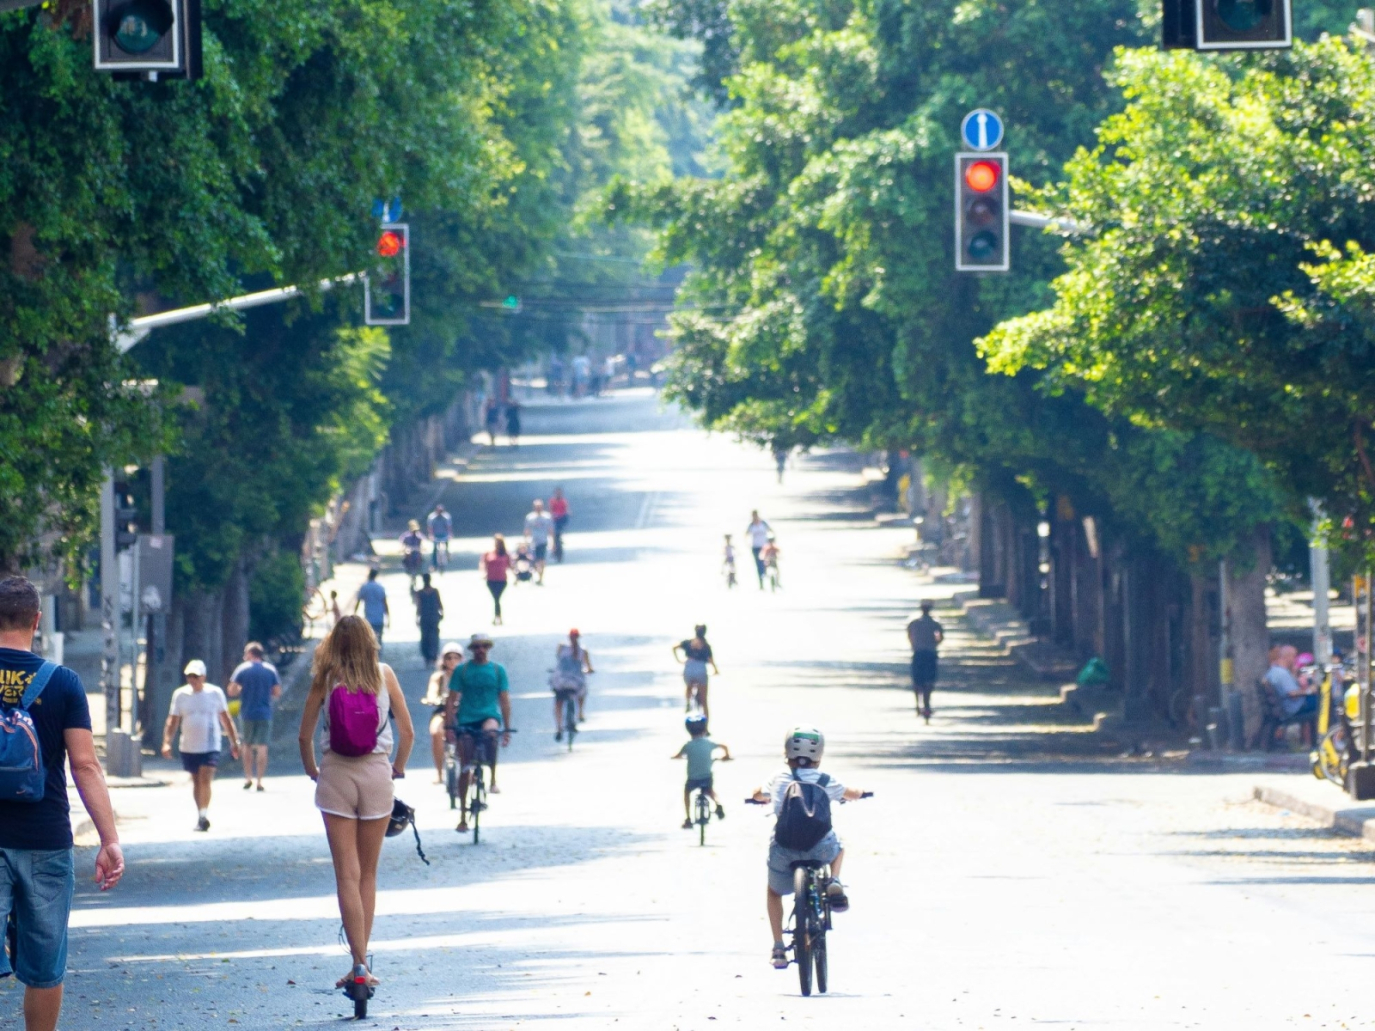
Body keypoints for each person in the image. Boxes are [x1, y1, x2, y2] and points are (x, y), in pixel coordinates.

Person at [0, 576, 123, 1031]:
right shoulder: (63, 684)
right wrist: (109, 840)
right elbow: (85, 766)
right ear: (36, 620)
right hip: (45, 840)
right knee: (45, 966)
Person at [298, 616, 414, 994]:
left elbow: (304, 735)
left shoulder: (325, 678)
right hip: (377, 777)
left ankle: (357, 963)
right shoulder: (384, 674)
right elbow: (408, 733)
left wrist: (314, 771)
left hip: (336, 778)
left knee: (346, 874)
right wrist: (397, 768)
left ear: (334, 644)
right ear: (369, 642)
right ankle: (365, 961)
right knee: (368, 873)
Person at [749, 727, 867, 970]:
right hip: (819, 848)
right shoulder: (825, 780)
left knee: (773, 892)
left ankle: (778, 947)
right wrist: (861, 793)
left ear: (786, 751)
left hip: (784, 849)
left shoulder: (779, 777)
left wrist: (760, 797)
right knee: (840, 845)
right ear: (819, 754)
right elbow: (852, 793)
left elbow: (758, 794)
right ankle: (834, 879)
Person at [162, 660, 241, 832]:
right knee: (196, 781)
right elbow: (173, 720)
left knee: (206, 778)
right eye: (190, 676)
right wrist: (167, 742)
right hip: (189, 745)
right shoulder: (180, 695)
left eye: (196, 676)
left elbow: (225, 718)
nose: (193, 680)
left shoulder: (215, 693)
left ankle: (204, 815)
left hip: (211, 744)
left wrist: (234, 741)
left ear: (203, 677)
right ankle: (200, 813)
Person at [445, 633, 513, 831]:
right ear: (472, 649)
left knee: (492, 735)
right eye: (476, 647)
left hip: (489, 716)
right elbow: (451, 699)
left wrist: (506, 727)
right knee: (465, 766)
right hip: (467, 719)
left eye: (484, 646)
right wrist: (449, 727)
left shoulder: (498, 670)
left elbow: (504, 700)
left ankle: (493, 778)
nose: (480, 650)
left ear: (488, 648)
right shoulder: (462, 670)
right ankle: (463, 816)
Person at [227, 642, 281, 792]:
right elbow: (277, 692)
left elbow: (231, 691)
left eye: (246, 653)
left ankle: (248, 777)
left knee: (247, 745)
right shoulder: (270, 670)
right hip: (264, 713)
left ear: (251, 654)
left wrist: (240, 689)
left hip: (246, 713)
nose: (244, 656)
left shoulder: (242, 670)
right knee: (263, 746)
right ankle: (260, 781)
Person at [672, 714, 731, 828]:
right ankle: (718, 804)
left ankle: (688, 818)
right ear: (704, 729)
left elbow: (678, 755)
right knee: (710, 791)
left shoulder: (688, 745)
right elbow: (723, 746)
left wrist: (675, 757)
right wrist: (726, 756)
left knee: (687, 793)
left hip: (693, 779)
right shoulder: (708, 743)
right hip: (706, 777)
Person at [419, 643, 463, 783]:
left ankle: (470, 770)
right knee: (436, 731)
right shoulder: (439, 676)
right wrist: (432, 699)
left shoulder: (465, 675)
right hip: (442, 711)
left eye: (456, 658)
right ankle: (439, 773)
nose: (452, 661)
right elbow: (431, 692)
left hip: (462, 712)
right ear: (443, 660)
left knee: (469, 735)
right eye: (449, 658)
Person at [551, 629, 595, 737]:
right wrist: (588, 671)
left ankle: (559, 727)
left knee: (558, 703)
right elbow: (589, 668)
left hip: (561, 682)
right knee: (583, 692)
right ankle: (580, 713)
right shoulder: (583, 651)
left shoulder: (562, 647)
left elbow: (558, 659)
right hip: (575, 682)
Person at [907, 601, 944, 721]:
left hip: (918, 653)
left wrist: (914, 644)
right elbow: (940, 637)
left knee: (917, 680)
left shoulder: (914, 623)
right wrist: (934, 644)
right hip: (930, 654)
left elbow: (909, 634)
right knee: (929, 680)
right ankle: (927, 705)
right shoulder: (935, 624)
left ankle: (918, 705)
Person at [673, 625, 719, 718]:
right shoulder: (706, 646)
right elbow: (710, 660)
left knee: (688, 685)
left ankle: (688, 702)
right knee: (704, 701)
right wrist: (715, 670)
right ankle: (705, 727)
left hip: (689, 667)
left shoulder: (688, 643)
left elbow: (674, 648)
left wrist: (678, 660)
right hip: (701, 669)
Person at [1265, 644, 1317, 722]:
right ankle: (1324, 732)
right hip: (1293, 708)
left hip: (1285, 707)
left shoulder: (1273, 671)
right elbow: (1293, 695)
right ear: (1287, 657)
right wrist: (1310, 690)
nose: (1296, 659)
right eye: (1294, 656)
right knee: (1323, 702)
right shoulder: (1282, 673)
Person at [353, 568, 389, 650]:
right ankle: (378, 657)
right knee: (379, 640)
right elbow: (385, 603)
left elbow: (358, 601)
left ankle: (371, 657)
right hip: (379, 617)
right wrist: (388, 617)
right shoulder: (380, 587)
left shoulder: (365, 587)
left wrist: (354, 614)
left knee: (369, 641)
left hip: (368, 618)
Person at [412, 573, 444, 666]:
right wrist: (442, 612)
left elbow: (419, 606)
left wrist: (417, 617)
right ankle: (433, 655)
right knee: (434, 636)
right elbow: (439, 603)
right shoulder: (435, 591)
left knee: (425, 637)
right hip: (434, 616)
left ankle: (427, 656)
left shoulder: (420, 592)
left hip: (425, 617)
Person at [479, 534, 512, 625]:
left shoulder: (506, 554)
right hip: (491, 579)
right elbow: (483, 564)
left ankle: (497, 617)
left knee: (497, 599)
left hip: (502, 579)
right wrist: (483, 573)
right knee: (496, 599)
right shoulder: (488, 553)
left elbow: (511, 565)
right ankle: (498, 617)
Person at [524, 499, 555, 585]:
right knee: (534, 560)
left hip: (543, 541)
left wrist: (552, 542)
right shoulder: (530, 517)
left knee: (541, 559)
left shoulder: (547, 517)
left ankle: (540, 577)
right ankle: (537, 573)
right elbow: (527, 530)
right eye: (536, 507)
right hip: (533, 541)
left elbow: (551, 530)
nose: (538, 508)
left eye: (539, 507)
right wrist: (526, 541)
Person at [746, 510, 772, 589]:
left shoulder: (763, 523)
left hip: (764, 546)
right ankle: (761, 582)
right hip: (755, 547)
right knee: (758, 564)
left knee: (765, 562)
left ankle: (766, 574)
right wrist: (748, 544)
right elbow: (746, 534)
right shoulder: (751, 525)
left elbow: (771, 530)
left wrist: (772, 541)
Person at [399, 521, 425, 591]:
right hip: (409, 552)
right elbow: (403, 545)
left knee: (420, 559)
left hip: (416, 553)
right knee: (406, 557)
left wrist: (421, 550)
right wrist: (404, 550)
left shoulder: (419, 536)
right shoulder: (406, 536)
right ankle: (408, 568)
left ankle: (418, 569)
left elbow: (422, 546)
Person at [426, 504, 452, 572]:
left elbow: (448, 527)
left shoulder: (446, 517)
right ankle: (434, 564)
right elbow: (430, 528)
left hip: (444, 534)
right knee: (434, 549)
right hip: (436, 535)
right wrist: (431, 535)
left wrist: (449, 534)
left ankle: (447, 555)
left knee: (446, 546)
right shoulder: (432, 517)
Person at [549, 487, 570, 562]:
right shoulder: (552, 501)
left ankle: (558, 548)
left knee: (559, 533)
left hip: (561, 519)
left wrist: (567, 514)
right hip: (555, 519)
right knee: (555, 535)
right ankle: (554, 550)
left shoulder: (564, 501)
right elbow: (551, 510)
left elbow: (566, 509)